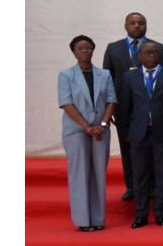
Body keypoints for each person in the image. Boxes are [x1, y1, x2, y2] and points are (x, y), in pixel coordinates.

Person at [103, 12, 163, 202]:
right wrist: (109, 108)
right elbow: (108, 79)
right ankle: (132, 186)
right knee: (128, 147)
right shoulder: (113, 49)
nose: (137, 26)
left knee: (154, 148)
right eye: (133, 23)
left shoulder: (159, 48)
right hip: (125, 108)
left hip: (154, 108)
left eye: (141, 23)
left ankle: (154, 187)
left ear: (146, 25)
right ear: (125, 25)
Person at [59, 35, 117, 232]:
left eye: (88, 48)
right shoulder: (66, 75)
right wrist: (86, 126)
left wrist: (102, 123)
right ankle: (83, 220)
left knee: (99, 173)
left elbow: (111, 101)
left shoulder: (105, 74)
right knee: (79, 173)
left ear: (93, 50)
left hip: (100, 129)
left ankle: (98, 218)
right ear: (74, 52)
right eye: (80, 48)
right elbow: (66, 103)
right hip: (77, 130)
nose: (84, 51)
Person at [123, 42, 163, 228]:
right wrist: (126, 132)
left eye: (155, 52)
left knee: (162, 173)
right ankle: (141, 214)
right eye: (147, 53)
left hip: (162, 132)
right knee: (140, 175)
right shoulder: (130, 76)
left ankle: (161, 213)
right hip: (138, 133)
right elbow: (125, 106)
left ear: (159, 55)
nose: (151, 55)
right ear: (140, 56)